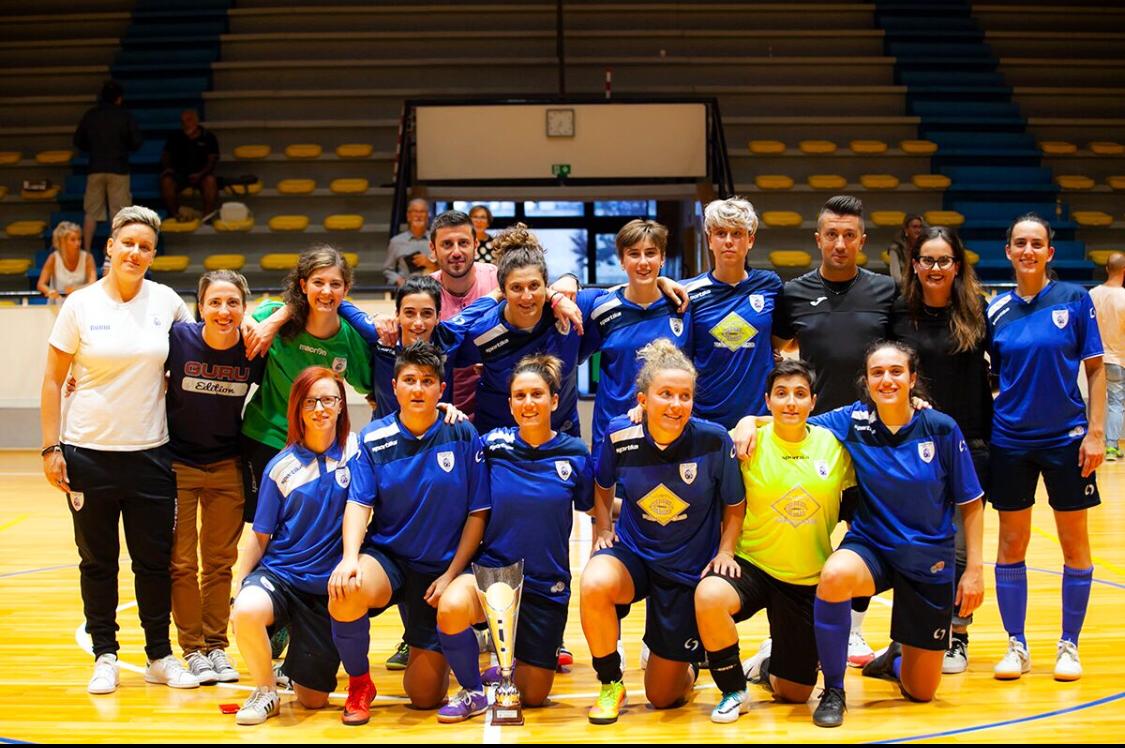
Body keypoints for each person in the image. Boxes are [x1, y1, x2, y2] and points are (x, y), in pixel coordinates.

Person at [40, 205, 195, 694]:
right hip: (88, 453)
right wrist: (51, 447)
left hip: (152, 455)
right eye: (127, 243)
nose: (135, 252)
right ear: (109, 246)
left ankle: (159, 655)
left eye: (145, 246)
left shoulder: (168, 302)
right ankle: (105, 654)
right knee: (98, 562)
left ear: (153, 254)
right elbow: (52, 379)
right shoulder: (80, 305)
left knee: (153, 561)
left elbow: (194, 362)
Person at [806, 341, 984, 728]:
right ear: (866, 381)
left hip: (928, 558)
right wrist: (747, 423)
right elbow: (792, 422)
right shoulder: (852, 421)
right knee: (835, 575)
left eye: (896, 371)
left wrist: (974, 570)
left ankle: (896, 658)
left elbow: (970, 502)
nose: (887, 379)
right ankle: (834, 689)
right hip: (873, 547)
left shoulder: (940, 427)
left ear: (912, 378)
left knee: (920, 692)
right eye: (877, 373)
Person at [579, 339, 745, 725]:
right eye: (665, 394)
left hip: (686, 570)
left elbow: (734, 505)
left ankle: (689, 660)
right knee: (595, 581)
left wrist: (725, 552)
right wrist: (603, 527)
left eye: (684, 396)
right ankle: (610, 684)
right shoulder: (620, 434)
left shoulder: (714, 439)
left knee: (663, 698)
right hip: (635, 555)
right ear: (643, 399)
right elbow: (602, 484)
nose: (675, 404)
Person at [327, 342, 490, 725]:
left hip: (439, 569)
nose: (418, 389)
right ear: (395, 386)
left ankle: (453, 661)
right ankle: (360, 683)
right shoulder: (373, 438)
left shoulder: (463, 435)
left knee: (425, 697)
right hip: (390, 560)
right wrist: (350, 558)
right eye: (410, 380)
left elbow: (478, 513)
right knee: (346, 590)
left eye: (427, 381)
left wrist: (451, 575)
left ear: (441, 388)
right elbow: (359, 504)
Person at [773, 194, 898, 665]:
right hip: (817, 436)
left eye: (850, 235)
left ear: (862, 240)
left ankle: (855, 631)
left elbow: (901, 359)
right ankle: (788, 628)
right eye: (832, 234)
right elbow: (777, 350)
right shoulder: (794, 293)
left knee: (865, 531)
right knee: (804, 528)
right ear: (818, 239)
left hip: (874, 437)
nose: (840, 244)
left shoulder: (886, 292)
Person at [435, 354, 594, 721]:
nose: (528, 403)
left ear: (554, 400)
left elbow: (594, 506)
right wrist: (450, 420)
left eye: (536, 394)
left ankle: (511, 666)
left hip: (545, 585)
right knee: (452, 606)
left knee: (534, 696)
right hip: (493, 575)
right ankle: (473, 689)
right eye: (519, 396)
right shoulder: (491, 445)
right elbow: (451, 460)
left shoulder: (575, 452)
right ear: (509, 404)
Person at [695, 359, 853, 723]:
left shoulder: (834, 446)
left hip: (805, 577)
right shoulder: (747, 442)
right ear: (767, 400)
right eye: (781, 394)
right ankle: (734, 689)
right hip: (753, 564)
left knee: (793, 694)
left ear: (813, 402)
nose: (790, 403)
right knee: (709, 595)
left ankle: (769, 663)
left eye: (800, 394)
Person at [987, 214, 1105, 682]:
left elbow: (1096, 370)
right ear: (1010, 252)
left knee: (1075, 545)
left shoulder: (1075, 300)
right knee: (1011, 543)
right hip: (1010, 439)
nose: (1029, 250)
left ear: (1049, 253)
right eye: (1021, 243)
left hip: (1067, 439)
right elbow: (989, 376)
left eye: (1037, 243)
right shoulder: (994, 308)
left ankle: (1068, 645)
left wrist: (1096, 433)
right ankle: (1016, 645)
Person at [229, 367, 357, 725]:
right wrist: (238, 585)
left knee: (313, 701)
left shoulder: (356, 452)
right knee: (248, 610)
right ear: (299, 409)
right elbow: (260, 534)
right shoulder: (279, 467)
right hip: (282, 576)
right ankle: (266, 691)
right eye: (311, 401)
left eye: (329, 400)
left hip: (325, 591)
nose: (320, 409)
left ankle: (295, 664)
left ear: (341, 406)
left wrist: (444, 410)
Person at [892, 226, 991, 673]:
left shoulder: (977, 312)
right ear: (914, 266)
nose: (935, 268)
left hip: (970, 443)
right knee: (919, 544)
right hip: (915, 445)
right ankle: (916, 632)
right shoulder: (898, 314)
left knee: (959, 543)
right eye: (927, 260)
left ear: (957, 266)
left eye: (944, 260)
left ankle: (959, 632)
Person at [166, 270, 266, 685]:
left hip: (227, 464)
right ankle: (191, 650)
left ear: (244, 308)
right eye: (215, 302)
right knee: (182, 562)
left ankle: (216, 646)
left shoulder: (254, 349)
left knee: (220, 563)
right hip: (178, 464)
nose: (224, 311)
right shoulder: (178, 339)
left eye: (233, 303)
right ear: (200, 306)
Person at [240, 245, 373, 523]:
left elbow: (370, 387)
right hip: (265, 437)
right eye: (318, 282)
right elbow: (241, 320)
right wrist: (258, 321)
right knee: (260, 527)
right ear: (303, 285)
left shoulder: (349, 341)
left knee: (303, 527)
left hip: (315, 449)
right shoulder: (275, 316)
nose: (326, 291)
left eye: (335, 284)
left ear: (346, 290)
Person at [451, 224, 592, 438]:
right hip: (499, 442)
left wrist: (661, 281)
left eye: (534, 286)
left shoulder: (573, 308)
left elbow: (629, 297)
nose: (526, 296)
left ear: (546, 285)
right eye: (516, 288)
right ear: (502, 291)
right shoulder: (482, 332)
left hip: (562, 437)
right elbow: (439, 351)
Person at [582, 219, 691, 448]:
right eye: (634, 254)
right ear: (622, 261)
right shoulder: (602, 309)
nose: (643, 262)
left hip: (668, 432)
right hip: (612, 429)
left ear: (662, 258)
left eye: (650, 253)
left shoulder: (681, 306)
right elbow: (573, 357)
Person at [681, 197, 784, 429]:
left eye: (737, 234)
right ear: (709, 240)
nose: (728, 241)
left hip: (759, 419)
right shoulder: (687, 291)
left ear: (750, 240)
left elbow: (781, 340)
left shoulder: (770, 285)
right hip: (704, 420)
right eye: (720, 233)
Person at [427, 209, 500, 417]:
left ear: (476, 245)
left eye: (464, 243)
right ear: (433, 249)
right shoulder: (422, 291)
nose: (456, 252)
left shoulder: (499, 279)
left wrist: (568, 281)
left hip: (496, 404)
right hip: (441, 409)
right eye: (447, 244)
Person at [73, 81, 143, 255]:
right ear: (119, 99)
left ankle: (86, 250)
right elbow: (136, 142)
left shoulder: (91, 115)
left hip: (95, 166)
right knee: (118, 213)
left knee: (91, 212)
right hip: (118, 167)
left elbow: (79, 141)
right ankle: (111, 251)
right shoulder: (125, 116)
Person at [1089, 252, 1125, 461]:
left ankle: (1092, 440)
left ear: (1106, 269)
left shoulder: (1093, 293)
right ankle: (1111, 446)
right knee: (1116, 403)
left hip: (1094, 358)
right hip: (1118, 358)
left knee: (1095, 400)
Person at [160, 109, 220, 222]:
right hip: (180, 173)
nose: (185, 124)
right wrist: (168, 168)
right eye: (183, 121)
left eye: (188, 120)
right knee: (166, 181)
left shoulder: (208, 136)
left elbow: (212, 160)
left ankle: (207, 217)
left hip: (202, 173)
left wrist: (201, 174)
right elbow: (165, 155)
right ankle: (175, 214)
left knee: (210, 181)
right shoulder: (175, 137)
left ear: (196, 121)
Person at [36, 221, 96, 303]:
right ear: (63, 242)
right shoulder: (53, 258)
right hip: (57, 306)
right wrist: (49, 291)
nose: (78, 243)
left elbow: (93, 284)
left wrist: (77, 289)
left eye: (79, 239)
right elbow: (41, 284)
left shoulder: (88, 258)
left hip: (81, 306)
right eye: (73, 240)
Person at [384, 198, 436, 286]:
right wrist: (398, 280)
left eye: (422, 212)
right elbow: (387, 270)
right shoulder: (396, 241)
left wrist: (430, 264)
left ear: (428, 216)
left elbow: (448, 268)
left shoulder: (437, 240)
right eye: (415, 211)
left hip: (433, 290)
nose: (418, 215)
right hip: (406, 291)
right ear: (408, 216)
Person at [886, 214, 926, 291]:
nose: (918, 230)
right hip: (903, 289)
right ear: (906, 230)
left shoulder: (925, 247)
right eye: (914, 227)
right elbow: (896, 277)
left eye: (920, 227)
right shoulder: (895, 248)